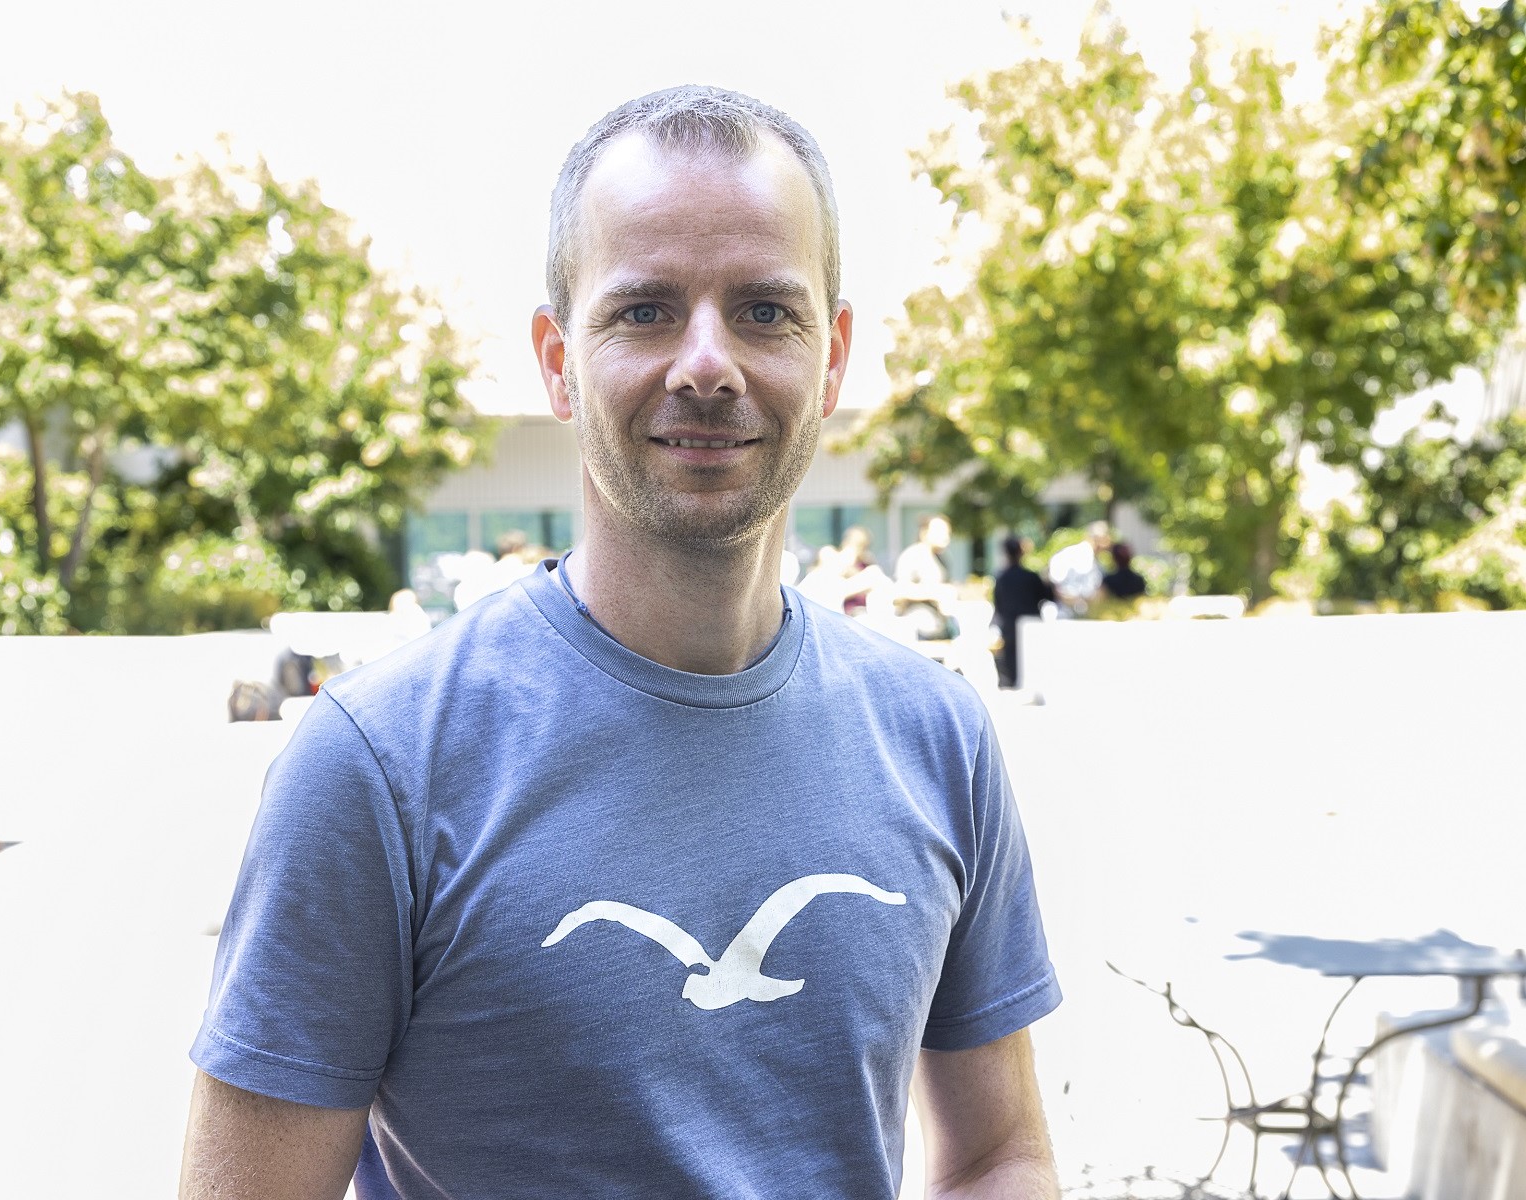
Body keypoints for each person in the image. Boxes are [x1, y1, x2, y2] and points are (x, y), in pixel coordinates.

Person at [181, 86, 1061, 1199]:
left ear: (834, 358)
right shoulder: (376, 766)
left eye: (765, 311)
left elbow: (999, 1155)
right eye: (644, 311)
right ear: (557, 360)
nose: (707, 364)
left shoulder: (938, 738)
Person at [992, 536, 1056, 690]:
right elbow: (1048, 596)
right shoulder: (1031, 577)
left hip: (1009, 627)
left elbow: (998, 603)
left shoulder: (1002, 578)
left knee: (1010, 672)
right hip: (1030, 625)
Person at [1046, 521, 1110, 616]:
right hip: (1065, 614)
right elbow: (1056, 587)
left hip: (1082, 614)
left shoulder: (1095, 561)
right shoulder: (1073, 555)